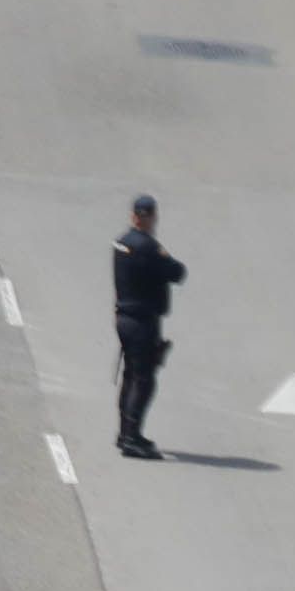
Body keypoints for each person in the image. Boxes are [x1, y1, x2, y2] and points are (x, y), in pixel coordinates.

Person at [111, 191, 183, 457]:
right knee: (143, 380)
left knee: (130, 377)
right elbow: (177, 272)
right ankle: (132, 438)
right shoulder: (148, 247)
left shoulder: (121, 243)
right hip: (142, 322)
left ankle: (125, 434)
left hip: (123, 318)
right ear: (151, 217)